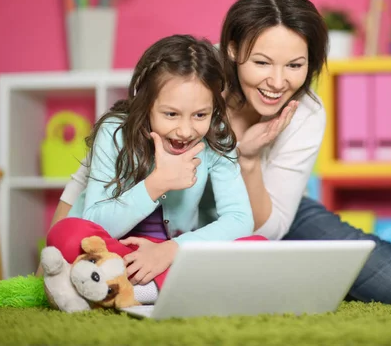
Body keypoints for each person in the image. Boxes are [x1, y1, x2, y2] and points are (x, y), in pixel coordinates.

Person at [44, 0, 391, 304]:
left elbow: (269, 225)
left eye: (295, 66)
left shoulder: (305, 115)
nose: (278, 82)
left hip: (267, 204)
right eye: (262, 62)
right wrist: (65, 234)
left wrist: (249, 158)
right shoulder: (194, 75)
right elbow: (112, 146)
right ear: (232, 51)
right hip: (178, 211)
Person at [46, 34, 261, 304]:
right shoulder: (115, 133)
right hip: (112, 250)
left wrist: (171, 250)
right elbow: (94, 223)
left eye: (200, 115)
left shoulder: (217, 139)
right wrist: (156, 184)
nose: (185, 130)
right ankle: (145, 289)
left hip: (173, 254)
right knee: (66, 234)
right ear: (146, 103)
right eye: (171, 114)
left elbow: (240, 220)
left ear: (213, 109)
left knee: (256, 246)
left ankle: (113, 290)